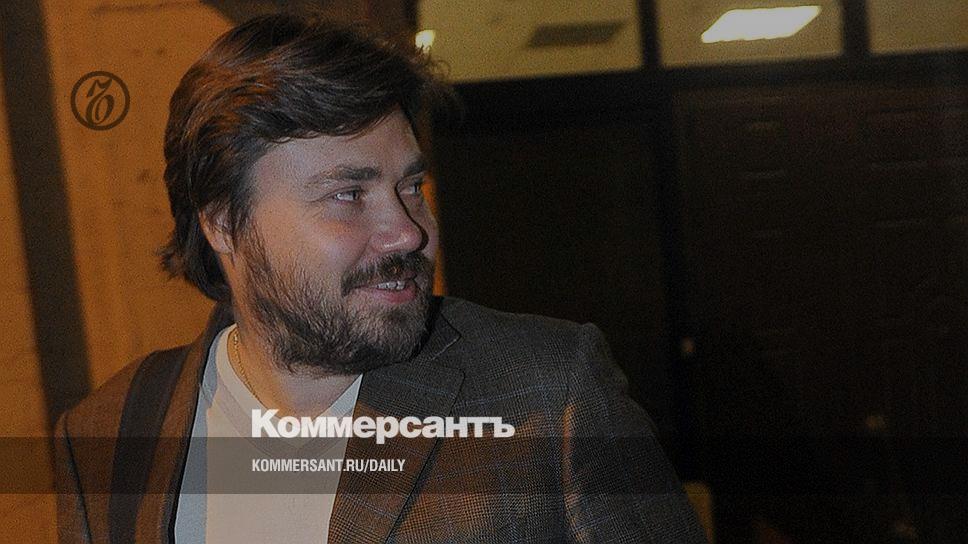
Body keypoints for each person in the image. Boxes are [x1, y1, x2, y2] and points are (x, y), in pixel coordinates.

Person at [54, 13, 707, 544]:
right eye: (348, 195)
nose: (408, 232)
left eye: (411, 186)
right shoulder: (106, 434)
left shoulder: (550, 394)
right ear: (224, 224)